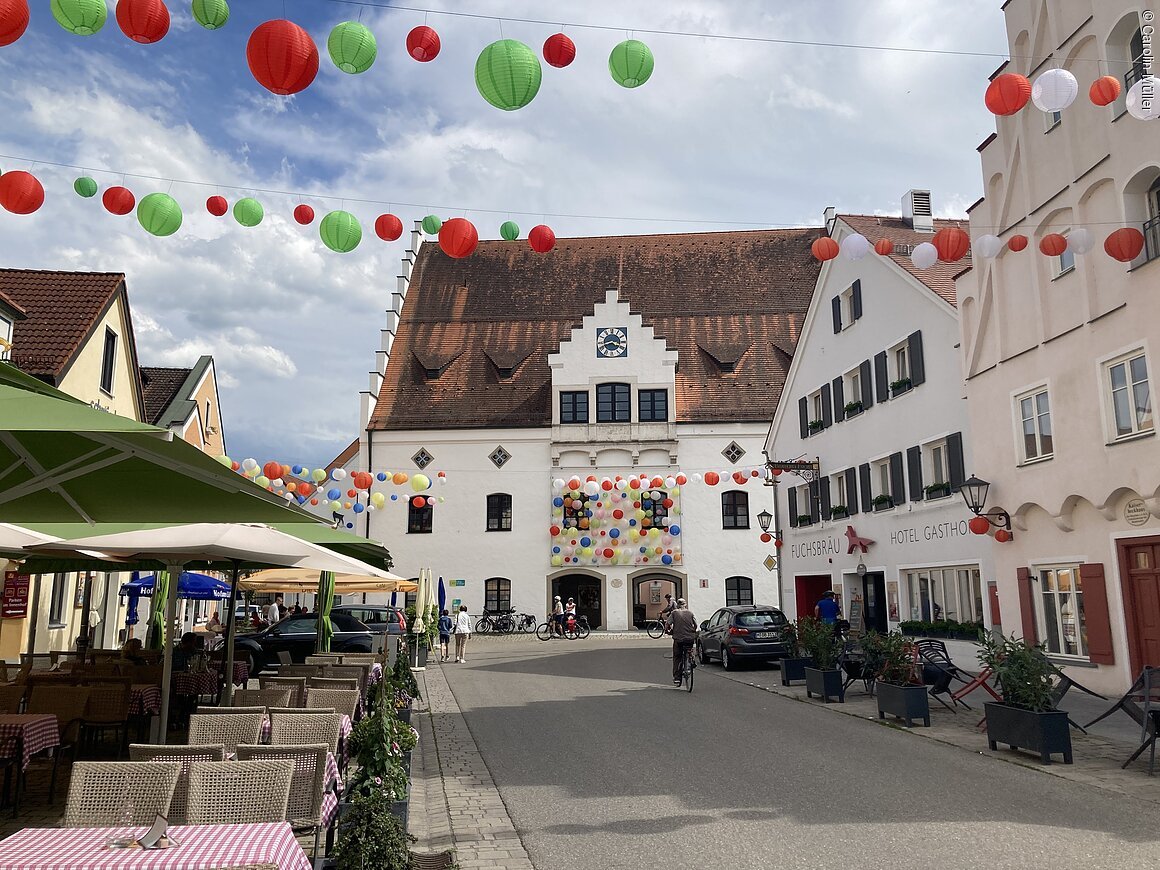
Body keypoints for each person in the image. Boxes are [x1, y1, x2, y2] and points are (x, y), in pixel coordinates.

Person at [668, 598, 699, 685]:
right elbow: (696, 625)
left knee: (677, 657)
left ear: (677, 605)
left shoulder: (674, 613)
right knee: (690, 648)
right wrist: (693, 630)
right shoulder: (690, 613)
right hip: (689, 638)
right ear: (685, 605)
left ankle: (677, 677)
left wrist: (669, 631)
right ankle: (692, 659)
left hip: (678, 639)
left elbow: (668, 624)